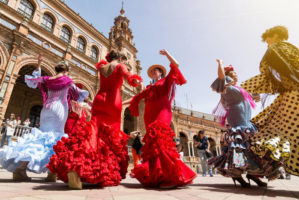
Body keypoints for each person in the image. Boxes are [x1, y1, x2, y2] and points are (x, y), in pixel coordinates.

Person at [48, 50, 142, 189]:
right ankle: (101, 171)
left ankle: (77, 167)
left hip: (99, 100)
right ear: (121, 58)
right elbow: (130, 78)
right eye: (124, 60)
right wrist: (137, 81)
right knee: (110, 138)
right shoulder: (120, 66)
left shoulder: (102, 67)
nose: (125, 63)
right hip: (113, 102)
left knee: (93, 134)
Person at [0, 54, 89, 182]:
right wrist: (90, 102)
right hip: (59, 109)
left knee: (40, 137)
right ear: (66, 71)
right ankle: (51, 173)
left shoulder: (47, 79)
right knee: (55, 139)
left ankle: (21, 169)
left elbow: (33, 81)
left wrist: (39, 65)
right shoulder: (67, 80)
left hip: (46, 109)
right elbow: (79, 93)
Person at [127, 49, 196, 188]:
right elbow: (135, 98)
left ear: (161, 72)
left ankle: (171, 176)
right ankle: (158, 176)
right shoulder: (149, 87)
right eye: (151, 71)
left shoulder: (167, 80)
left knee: (160, 140)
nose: (153, 72)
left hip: (162, 113)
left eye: (155, 70)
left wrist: (167, 54)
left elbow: (176, 64)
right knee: (153, 144)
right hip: (149, 116)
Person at [241, 26, 299, 177]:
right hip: (238, 125)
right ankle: (247, 169)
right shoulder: (293, 50)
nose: (267, 44)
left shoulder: (275, 49)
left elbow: (269, 78)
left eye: (267, 40)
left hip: (292, 98)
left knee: (269, 134)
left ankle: (248, 168)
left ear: (274, 35)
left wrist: (243, 88)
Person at [208, 59, 273, 187]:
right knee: (239, 146)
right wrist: (220, 63)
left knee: (251, 147)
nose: (237, 75)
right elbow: (221, 76)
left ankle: (252, 173)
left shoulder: (240, 89)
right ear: (228, 77)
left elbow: (252, 98)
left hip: (247, 120)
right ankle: (237, 174)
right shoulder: (226, 87)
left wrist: (255, 96)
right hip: (237, 119)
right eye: (234, 74)